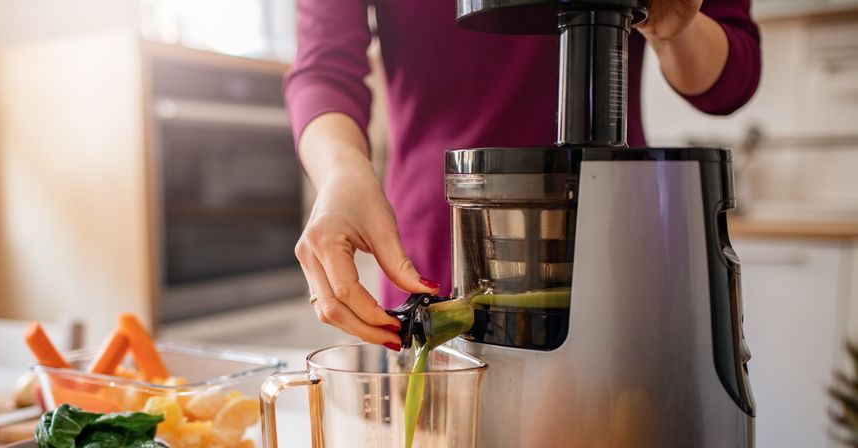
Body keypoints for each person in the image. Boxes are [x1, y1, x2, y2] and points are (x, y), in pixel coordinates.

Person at [284, 0, 760, 351]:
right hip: (437, 254)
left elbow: (731, 78)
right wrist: (341, 174)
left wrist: (672, 27)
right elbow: (324, 68)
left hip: (611, 249)